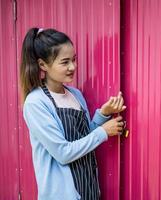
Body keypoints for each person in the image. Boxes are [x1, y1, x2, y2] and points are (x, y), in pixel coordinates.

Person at [20, 27, 126, 200]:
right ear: (42, 65)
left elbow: (83, 137)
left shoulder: (75, 94)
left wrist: (103, 115)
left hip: (88, 189)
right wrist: (104, 132)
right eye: (65, 62)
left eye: (74, 60)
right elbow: (63, 152)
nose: (72, 67)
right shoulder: (36, 103)